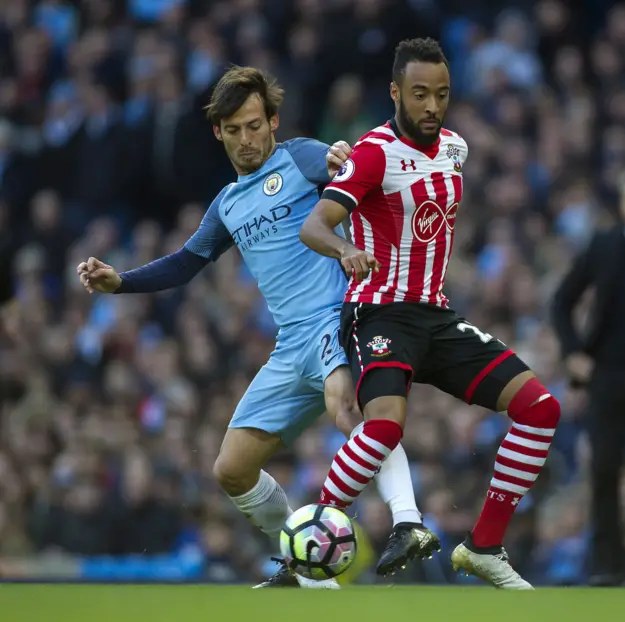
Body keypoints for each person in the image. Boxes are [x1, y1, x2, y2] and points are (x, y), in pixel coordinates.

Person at [77, 66, 439, 588]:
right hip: (289, 344)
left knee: (348, 409)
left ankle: (407, 521)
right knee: (231, 469)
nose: (247, 139)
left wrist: (344, 154)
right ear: (218, 132)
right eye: (234, 129)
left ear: (272, 122)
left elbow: (353, 166)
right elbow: (185, 262)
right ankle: (308, 567)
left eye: (254, 125)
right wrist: (121, 282)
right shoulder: (227, 205)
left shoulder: (300, 156)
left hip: (334, 321)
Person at [299, 38, 562, 590]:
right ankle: (313, 544)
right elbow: (314, 225)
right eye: (419, 94)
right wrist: (346, 249)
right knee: (386, 425)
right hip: (379, 313)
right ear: (396, 92)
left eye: (441, 94)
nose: (431, 106)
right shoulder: (372, 152)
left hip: (436, 317)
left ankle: (485, 547)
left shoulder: (455, 148)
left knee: (540, 409)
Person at [552, 165, 625, 587]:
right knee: (604, 470)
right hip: (608, 376)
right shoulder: (605, 247)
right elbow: (562, 300)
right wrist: (573, 354)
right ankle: (609, 566)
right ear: (622, 205)